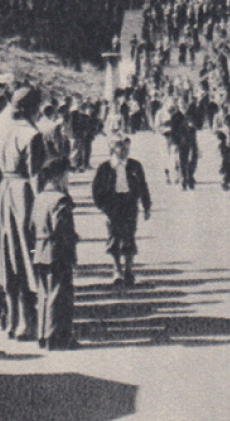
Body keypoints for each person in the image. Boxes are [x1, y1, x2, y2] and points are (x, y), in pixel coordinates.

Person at [0, 87, 46, 341]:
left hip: (4, 192)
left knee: (7, 258)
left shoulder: (1, 131)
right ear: (34, 109)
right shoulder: (31, 135)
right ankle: (29, 322)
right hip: (23, 194)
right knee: (26, 257)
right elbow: (36, 177)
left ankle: (12, 322)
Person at [92, 135, 152, 289]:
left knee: (129, 236)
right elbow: (96, 190)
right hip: (112, 207)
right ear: (112, 148)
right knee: (114, 238)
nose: (124, 150)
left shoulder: (135, 166)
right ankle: (117, 269)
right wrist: (104, 207)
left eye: (126, 147)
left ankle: (129, 270)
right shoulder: (105, 168)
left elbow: (143, 186)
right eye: (120, 146)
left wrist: (146, 206)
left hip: (130, 205)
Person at [32, 155, 79, 350]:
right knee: (59, 295)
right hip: (57, 251)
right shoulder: (61, 200)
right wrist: (73, 244)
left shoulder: (40, 198)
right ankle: (57, 337)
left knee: (44, 294)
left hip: (41, 251)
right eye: (66, 175)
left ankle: (42, 334)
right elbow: (62, 230)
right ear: (58, 177)